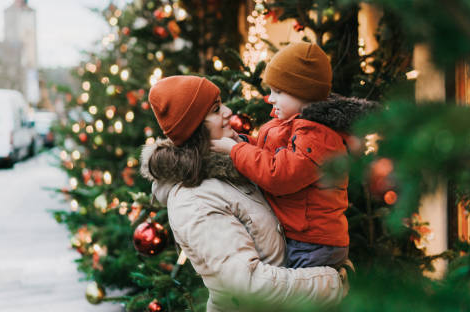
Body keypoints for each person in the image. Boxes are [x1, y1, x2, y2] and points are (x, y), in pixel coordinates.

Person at [141, 75, 347, 312]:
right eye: (216, 109)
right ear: (195, 128)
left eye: (222, 103)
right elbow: (247, 285)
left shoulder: (239, 167)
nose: (229, 112)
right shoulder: (193, 200)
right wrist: (333, 282)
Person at [212, 42, 375, 268]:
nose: (270, 98)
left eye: (278, 92)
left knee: (301, 299)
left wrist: (235, 150)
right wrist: (240, 142)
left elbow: (279, 175)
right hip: (301, 238)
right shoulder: (292, 125)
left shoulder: (318, 135)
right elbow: (267, 153)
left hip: (313, 244)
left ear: (304, 93)